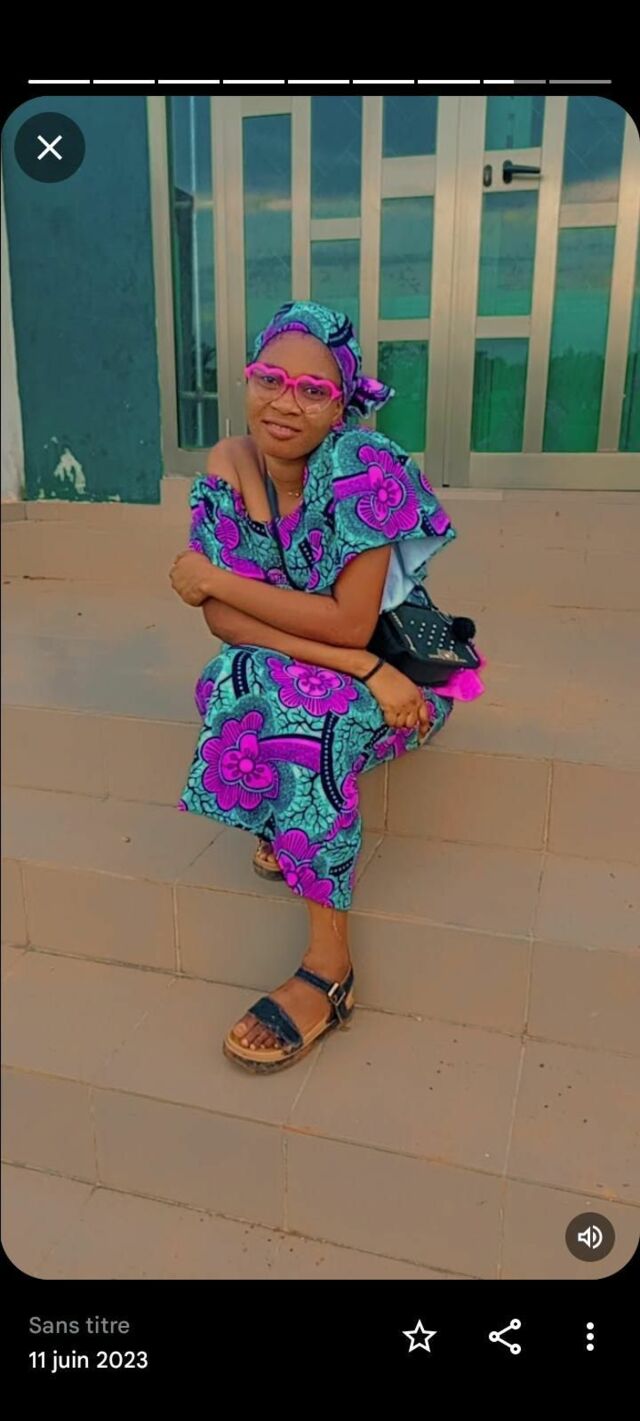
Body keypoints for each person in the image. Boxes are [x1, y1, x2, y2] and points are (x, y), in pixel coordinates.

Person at [169, 301, 484, 1073]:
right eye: (269, 378)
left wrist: (219, 579)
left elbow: (348, 623)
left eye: (313, 390)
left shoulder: (364, 466)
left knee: (299, 714)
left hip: (402, 686)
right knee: (230, 679)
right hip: (354, 672)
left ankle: (330, 967)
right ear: (247, 379)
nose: (286, 402)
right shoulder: (228, 463)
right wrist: (229, 598)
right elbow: (221, 621)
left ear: (342, 403)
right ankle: (287, 817)